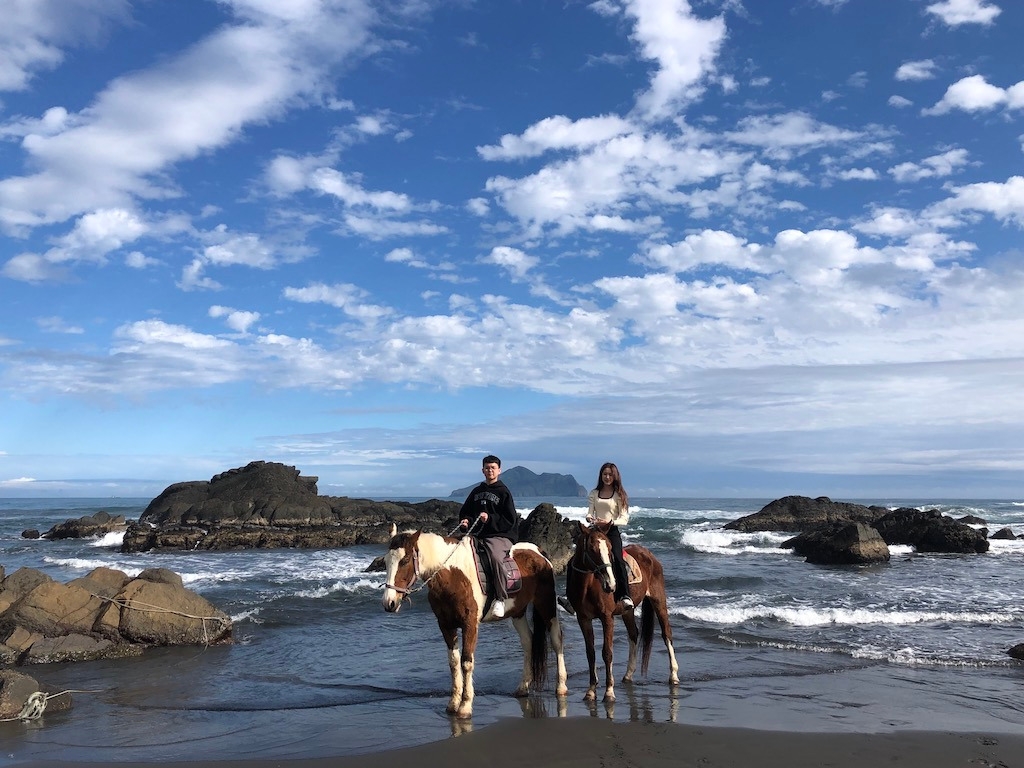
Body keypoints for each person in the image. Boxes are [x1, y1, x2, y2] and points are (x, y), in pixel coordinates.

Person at [560, 462, 632, 616]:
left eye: (610, 474)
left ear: (615, 476)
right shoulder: (594, 493)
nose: (607, 477)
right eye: (604, 474)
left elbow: (624, 518)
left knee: (618, 559)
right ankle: (571, 600)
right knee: (574, 561)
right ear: (601, 475)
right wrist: (590, 518)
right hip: (595, 530)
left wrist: (610, 522)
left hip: (611, 531)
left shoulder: (619, 494)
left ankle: (625, 595)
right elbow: (589, 512)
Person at [459, 455, 520, 618]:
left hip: (501, 535)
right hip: (479, 534)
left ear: (499, 470)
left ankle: (500, 598)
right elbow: (467, 511)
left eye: (493, 468)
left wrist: (490, 519)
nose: (490, 470)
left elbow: (510, 519)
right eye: (487, 468)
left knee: (494, 556)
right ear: (482, 470)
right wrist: (466, 521)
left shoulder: (503, 492)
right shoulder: (477, 491)